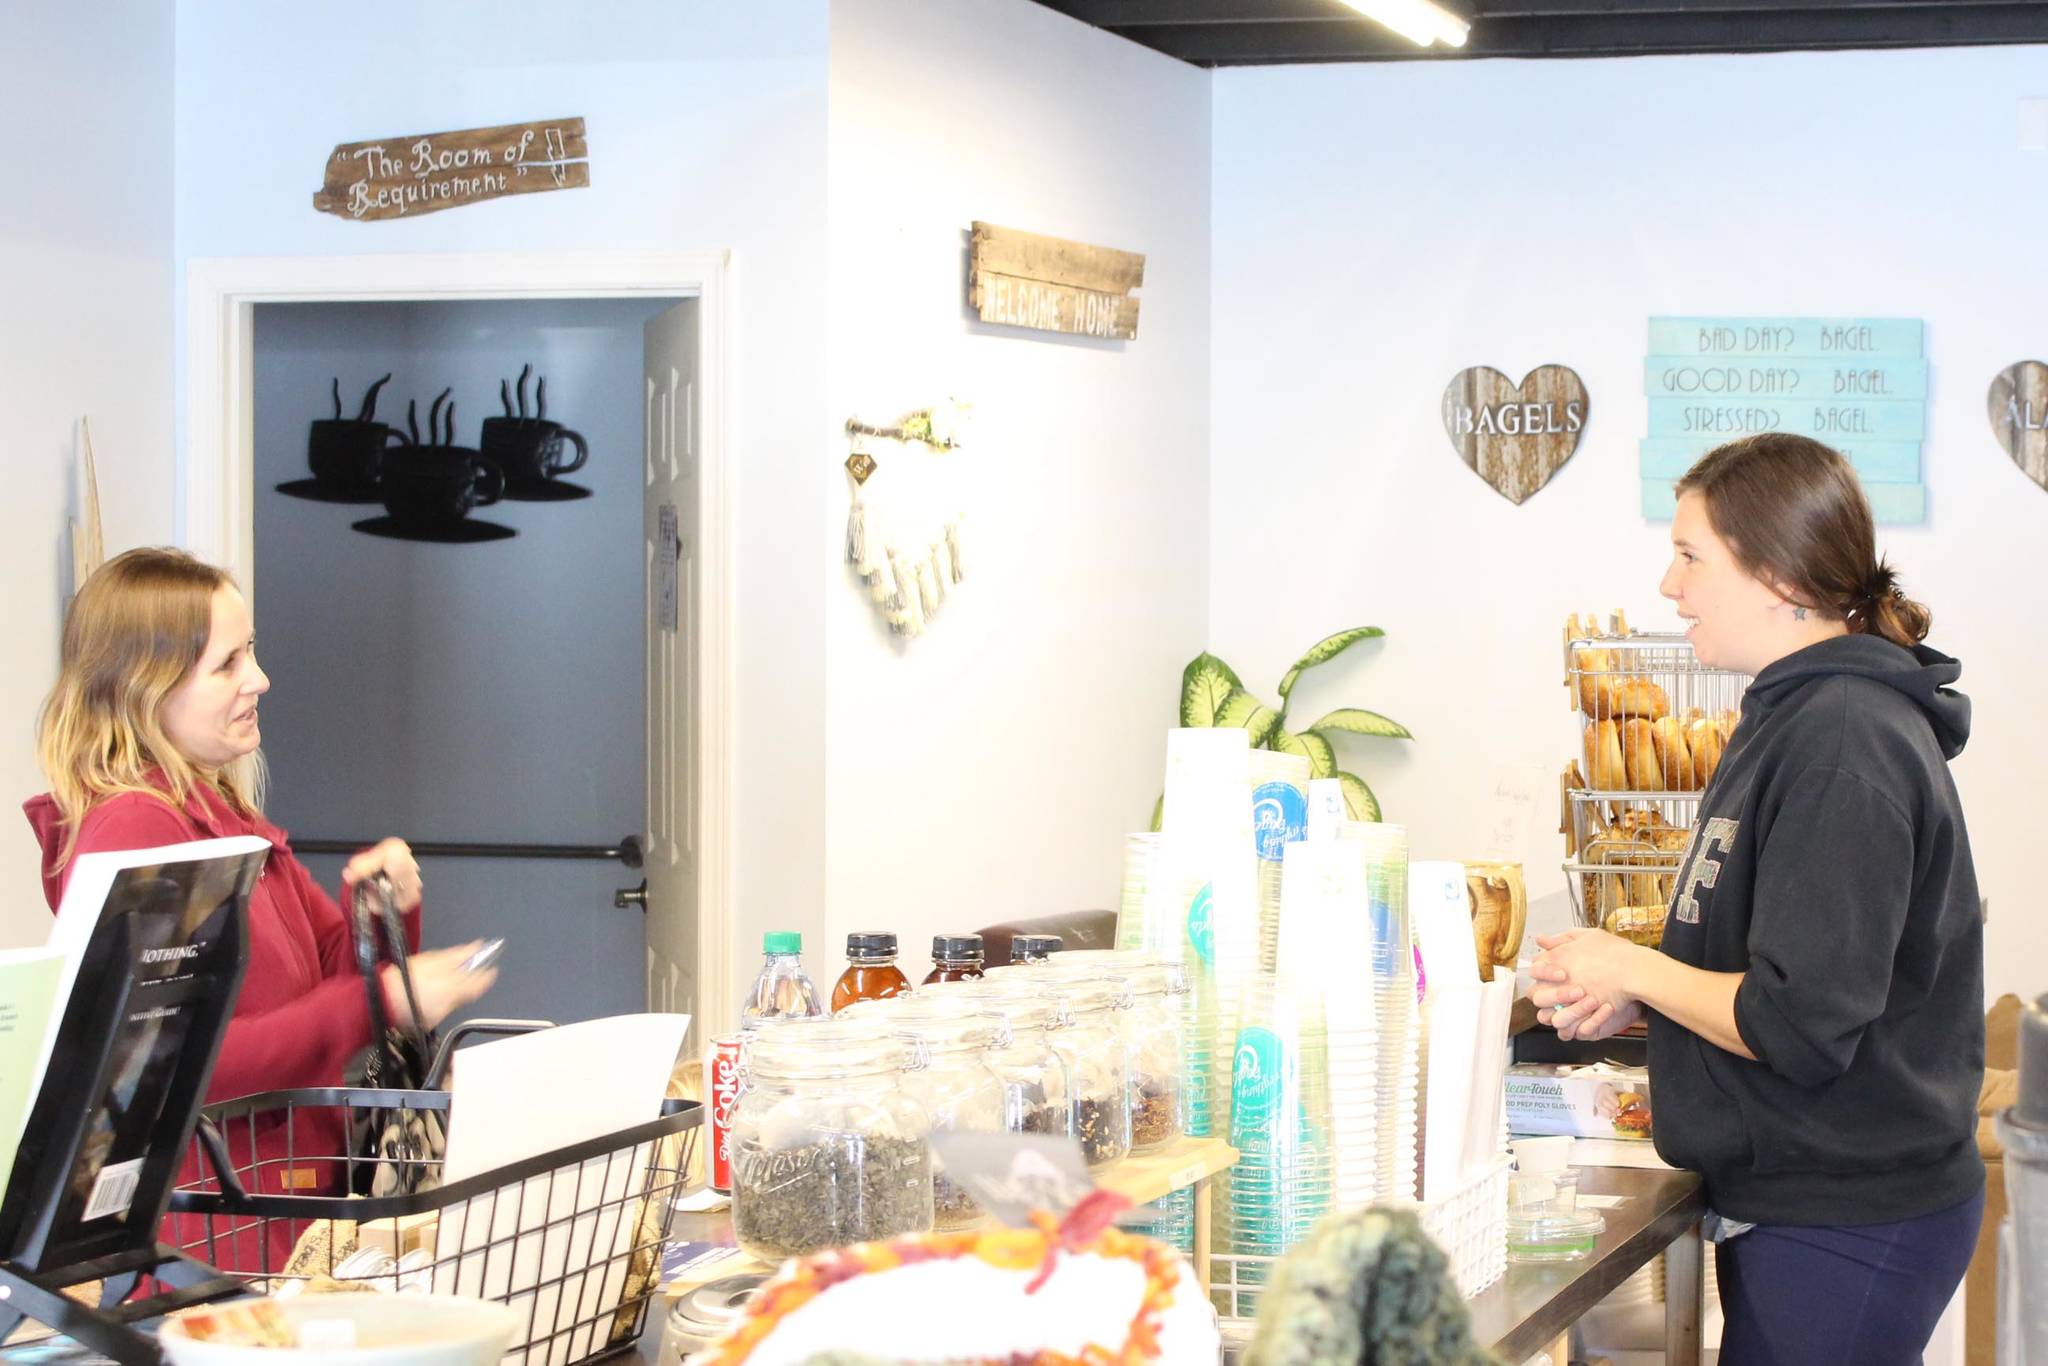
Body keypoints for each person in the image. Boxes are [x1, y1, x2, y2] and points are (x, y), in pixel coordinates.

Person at [1532, 433, 1984, 1364]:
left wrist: (1637, 965)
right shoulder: (1793, 716)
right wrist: (1644, 987)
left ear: (1778, 574)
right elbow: (1781, 953)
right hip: (1805, 1199)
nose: (1669, 584)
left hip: (1848, 1219)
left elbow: (1801, 1020)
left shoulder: (1845, 740)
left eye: (1691, 555)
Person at [25, 547, 498, 1268]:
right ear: (143, 688)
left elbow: (332, 977)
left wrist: (383, 914)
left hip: (286, 1215)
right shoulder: (135, 832)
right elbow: (166, 1065)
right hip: (219, 1240)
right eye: (227, 664)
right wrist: (385, 997)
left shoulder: (222, 816)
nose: (259, 680)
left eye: (251, 652)